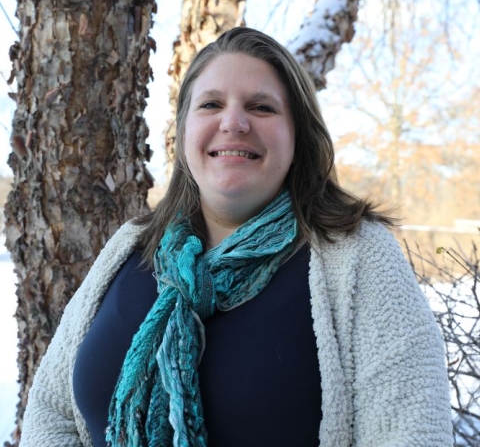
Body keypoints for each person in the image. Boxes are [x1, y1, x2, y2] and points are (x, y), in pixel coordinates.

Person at [20, 27, 453, 447]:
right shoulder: (130, 246)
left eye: (262, 107)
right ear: (184, 131)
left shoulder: (359, 257)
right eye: (210, 104)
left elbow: (412, 433)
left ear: (298, 135)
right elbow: (51, 409)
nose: (234, 122)